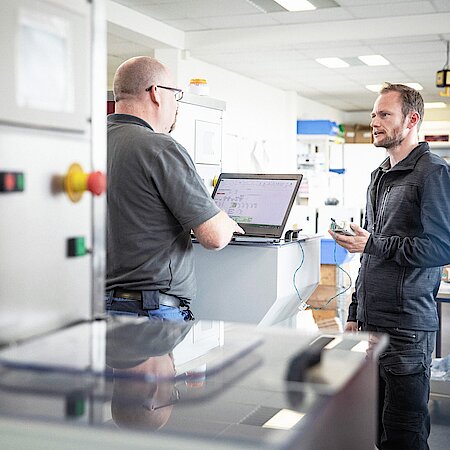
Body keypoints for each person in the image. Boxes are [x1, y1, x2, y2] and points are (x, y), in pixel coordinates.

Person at [329, 83, 450, 449]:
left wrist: (373, 242)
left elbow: (441, 247)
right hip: (373, 323)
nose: (375, 122)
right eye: (373, 115)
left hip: (407, 330)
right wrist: (355, 309)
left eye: (384, 115)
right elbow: (371, 251)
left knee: (403, 435)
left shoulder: (433, 173)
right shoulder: (379, 175)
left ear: (412, 120)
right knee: (377, 432)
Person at [105, 56, 243, 321]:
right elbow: (213, 237)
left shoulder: (90, 141)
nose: (176, 105)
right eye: (175, 95)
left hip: (98, 306)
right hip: (148, 311)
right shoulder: (161, 148)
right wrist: (226, 221)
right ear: (156, 93)